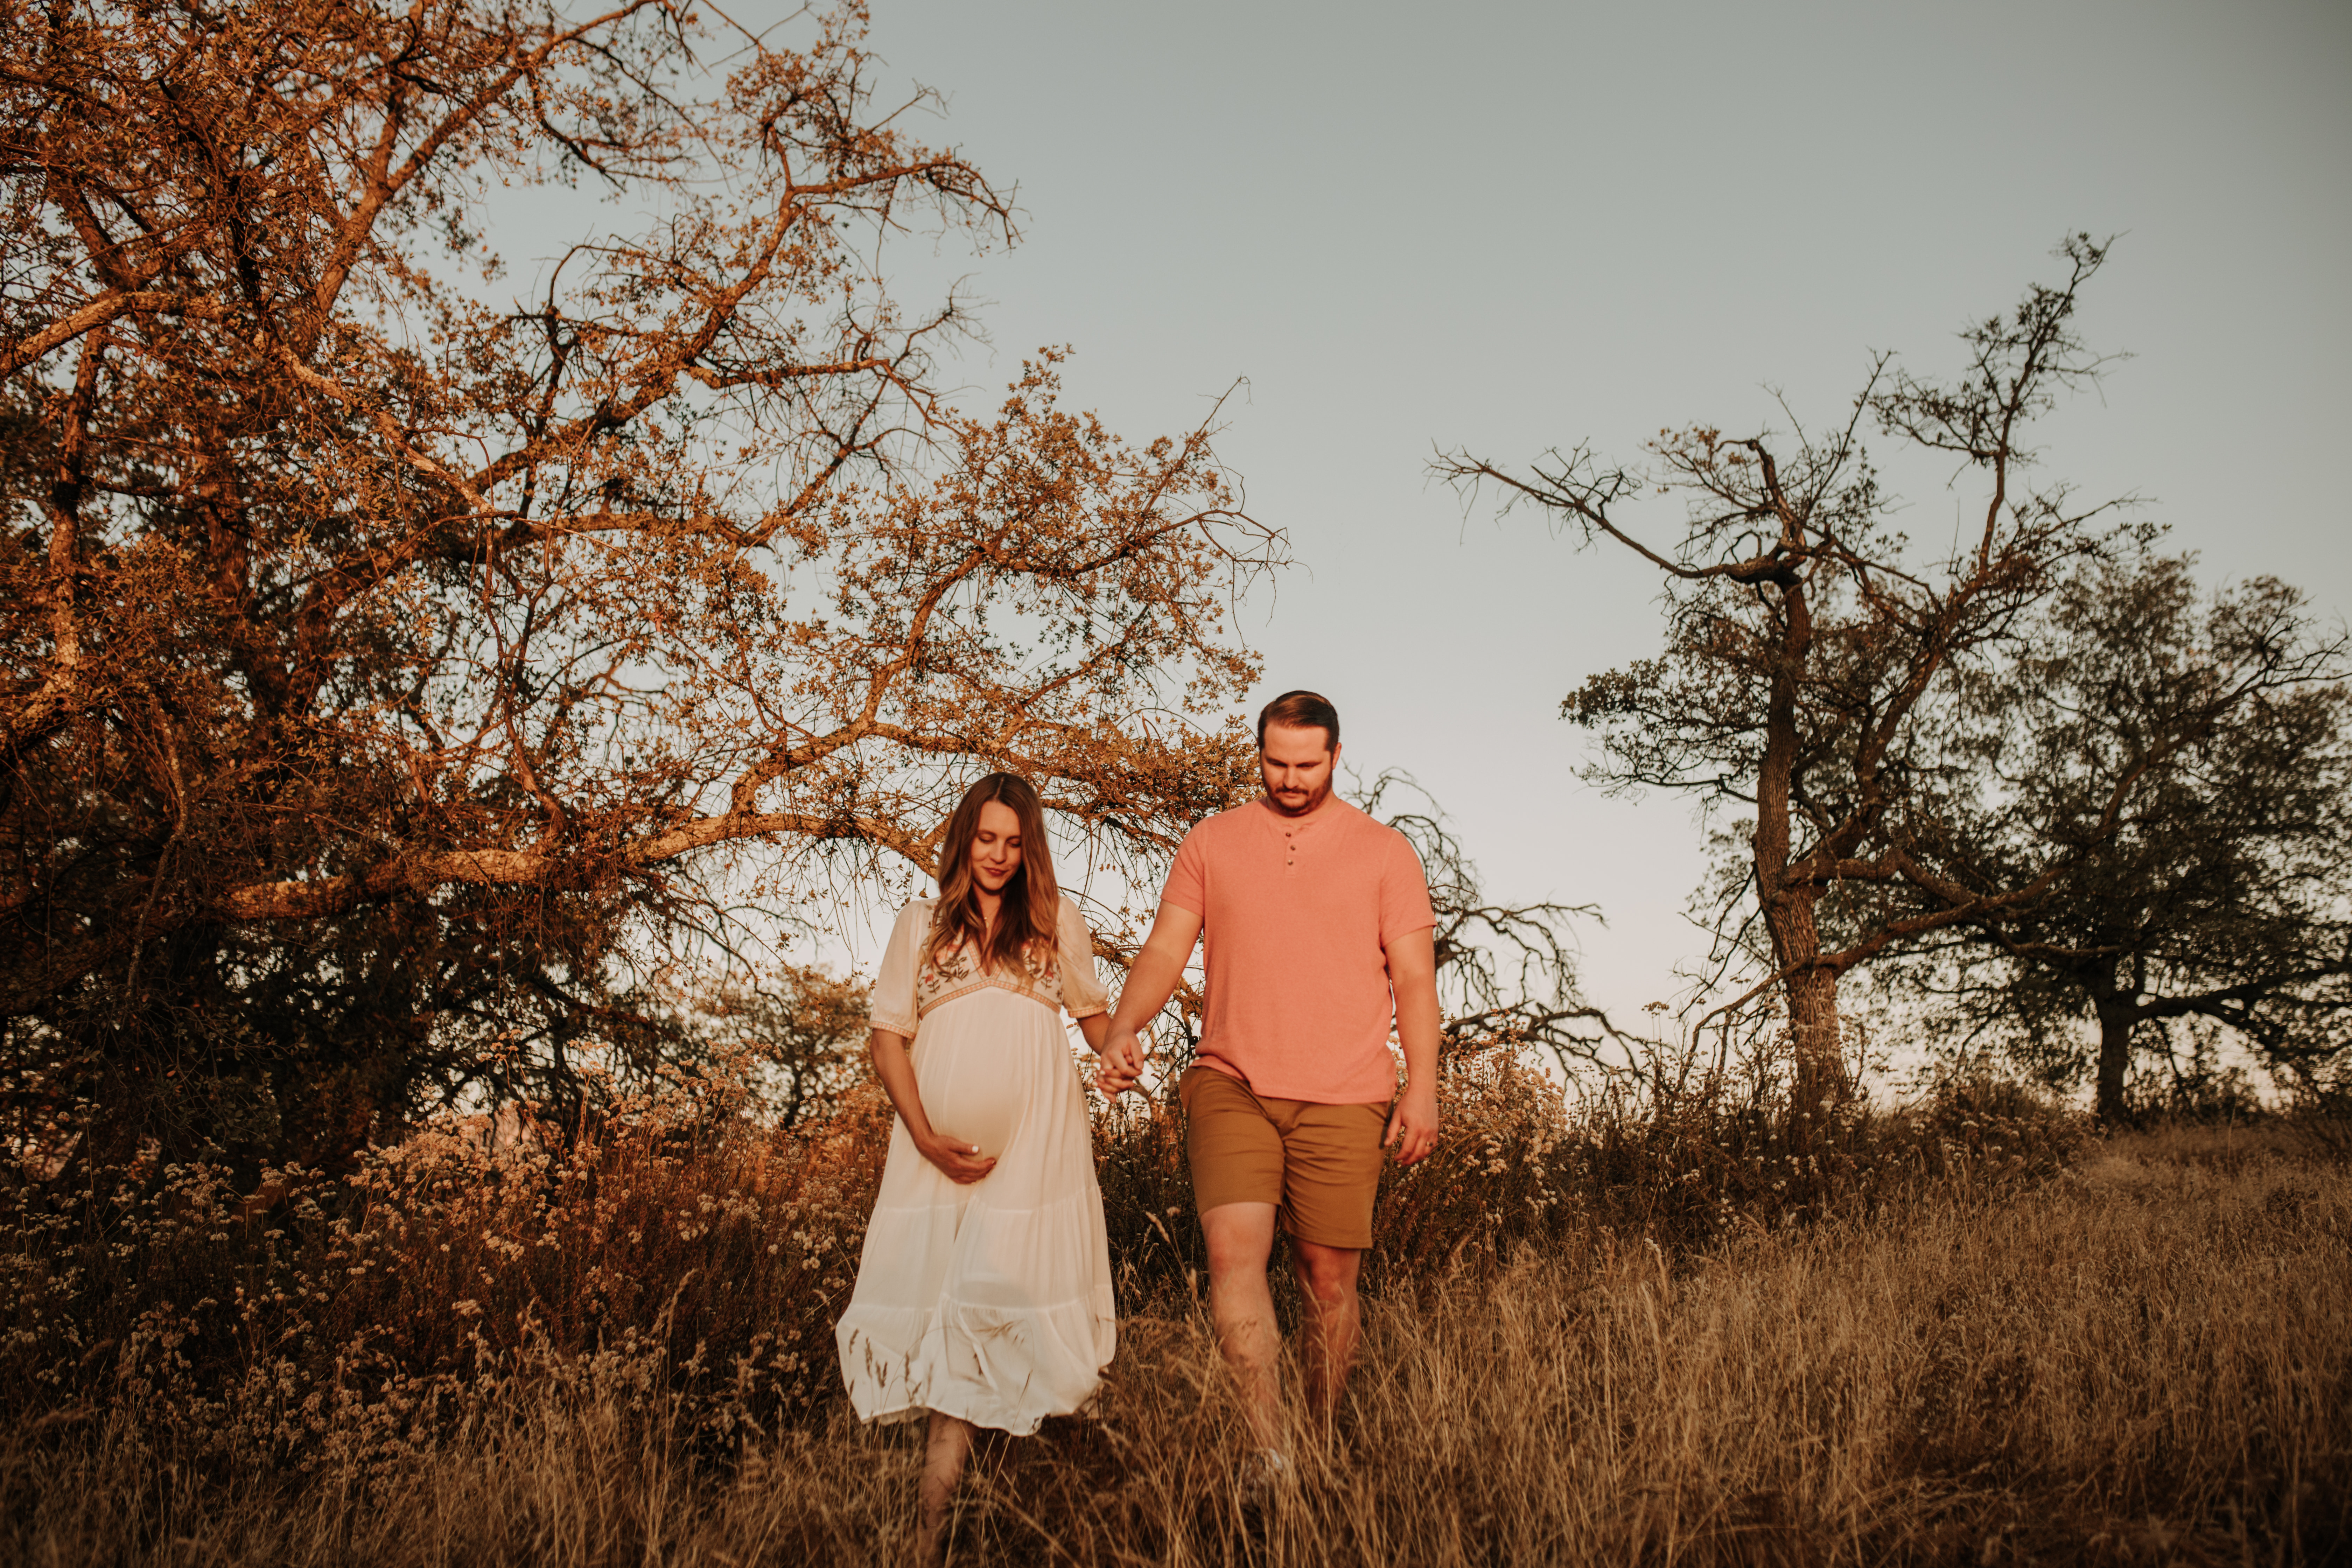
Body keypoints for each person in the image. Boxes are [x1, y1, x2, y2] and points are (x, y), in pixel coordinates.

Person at [1095, 690, 1442, 1488]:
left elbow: (1416, 982)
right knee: (1232, 1254)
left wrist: (1423, 1087)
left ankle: (1318, 1450)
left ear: (1336, 755)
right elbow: (1164, 950)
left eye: (1307, 764)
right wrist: (1121, 1026)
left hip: (1347, 1091)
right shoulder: (1211, 842)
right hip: (1232, 1080)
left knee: (1328, 1279)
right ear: (1258, 752)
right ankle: (1271, 1454)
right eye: (1276, 762)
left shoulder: (1386, 852)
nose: (1290, 777)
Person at [835, 772, 1116, 1566]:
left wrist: (1121, 1049)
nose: (998, 855)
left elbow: (1096, 1021)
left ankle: (1008, 1515)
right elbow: (889, 1036)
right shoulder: (921, 924)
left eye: (1013, 841)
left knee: (1009, 1311)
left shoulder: (1058, 924)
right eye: (985, 839)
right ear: (965, 840)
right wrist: (923, 1133)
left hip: (1036, 1152)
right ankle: (931, 1534)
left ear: (1032, 849)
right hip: (937, 1159)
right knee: (952, 1318)